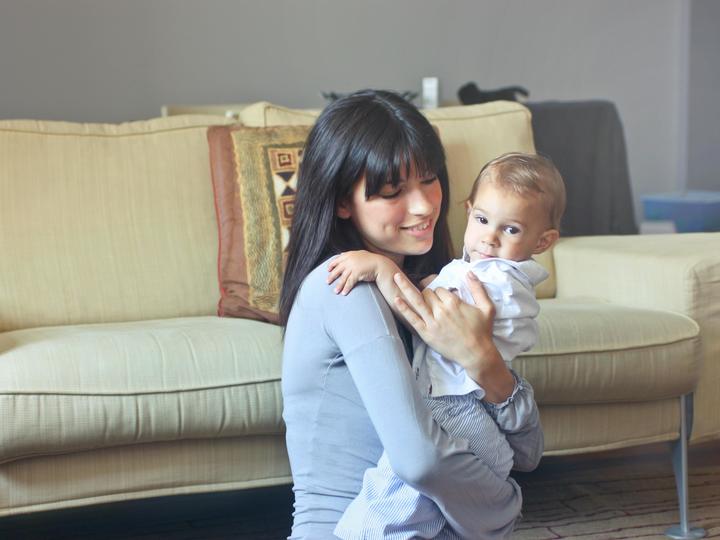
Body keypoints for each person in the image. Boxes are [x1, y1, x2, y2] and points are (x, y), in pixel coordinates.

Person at [280, 89, 544, 540]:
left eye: (428, 179)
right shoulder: (343, 286)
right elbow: (419, 460)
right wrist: (504, 506)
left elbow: (529, 452)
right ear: (344, 202)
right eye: (392, 192)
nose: (423, 206)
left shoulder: (442, 290)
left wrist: (483, 359)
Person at [327, 152, 565, 539]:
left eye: (511, 230)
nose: (489, 237)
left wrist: (383, 268)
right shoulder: (481, 271)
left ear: (544, 241)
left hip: (455, 406)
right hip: (469, 408)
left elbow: (426, 320)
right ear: (469, 211)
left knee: (391, 496)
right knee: (429, 514)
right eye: (483, 220)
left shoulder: (496, 278)